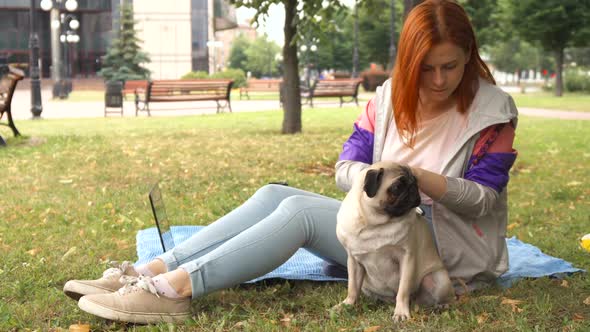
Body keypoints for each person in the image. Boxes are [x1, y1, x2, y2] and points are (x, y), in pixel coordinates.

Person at [64, 0, 517, 324]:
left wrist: (418, 179)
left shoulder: (492, 113)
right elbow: (346, 168)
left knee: (297, 213)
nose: (438, 80)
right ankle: (151, 271)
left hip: (436, 252)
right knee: (273, 195)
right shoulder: (389, 98)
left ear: (469, 58)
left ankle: (175, 290)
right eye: (426, 68)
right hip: (381, 221)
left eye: (451, 67)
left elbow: (482, 201)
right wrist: (376, 181)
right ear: (408, 61)